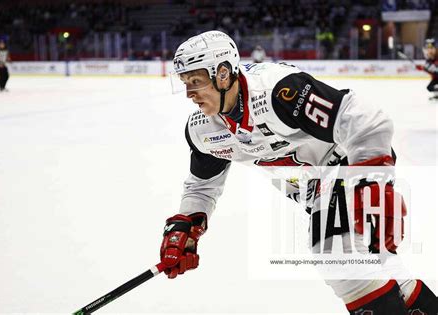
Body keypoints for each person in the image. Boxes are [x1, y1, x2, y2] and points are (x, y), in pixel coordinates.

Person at [160, 31, 438, 314]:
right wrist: (185, 224)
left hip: (349, 165)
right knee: (376, 268)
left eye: (196, 81)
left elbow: (364, 120)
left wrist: (373, 182)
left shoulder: (278, 91)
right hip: (316, 192)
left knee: (334, 251)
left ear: (223, 74)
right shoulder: (202, 130)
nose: (189, 94)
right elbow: (201, 186)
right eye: (184, 82)